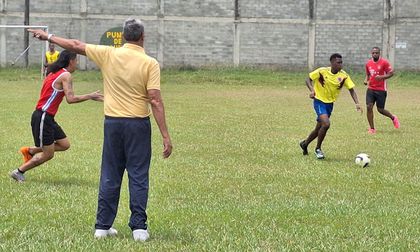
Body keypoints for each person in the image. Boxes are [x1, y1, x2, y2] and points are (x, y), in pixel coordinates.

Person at [28, 18, 173, 242]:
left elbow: (75, 44)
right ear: (143, 37)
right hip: (137, 125)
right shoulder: (149, 63)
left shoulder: (108, 54)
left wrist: (47, 36)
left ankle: (102, 227)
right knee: (138, 175)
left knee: (110, 173)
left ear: (124, 37)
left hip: (113, 124)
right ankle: (139, 229)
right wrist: (165, 135)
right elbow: (155, 100)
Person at [10, 50, 103, 182]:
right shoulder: (66, 75)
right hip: (43, 116)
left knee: (64, 144)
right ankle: (19, 171)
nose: (77, 64)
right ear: (71, 61)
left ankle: (30, 151)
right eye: (76, 61)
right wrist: (90, 96)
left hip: (47, 117)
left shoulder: (55, 72)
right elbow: (70, 99)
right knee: (48, 154)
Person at [299, 53, 362, 159]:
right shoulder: (322, 71)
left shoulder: (344, 76)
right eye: (338, 62)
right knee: (326, 124)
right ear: (332, 63)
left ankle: (304, 144)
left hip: (330, 104)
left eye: (341, 62)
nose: (340, 64)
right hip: (319, 101)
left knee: (319, 128)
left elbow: (351, 90)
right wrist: (312, 90)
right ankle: (318, 149)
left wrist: (357, 103)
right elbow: (308, 79)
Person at [364, 47, 399, 134]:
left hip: (381, 90)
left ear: (379, 53)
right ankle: (372, 129)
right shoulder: (368, 63)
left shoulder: (384, 62)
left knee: (380, 110)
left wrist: (381, 77)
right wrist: (366, 80)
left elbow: (391, 73)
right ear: (371, 53)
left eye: (376, 53)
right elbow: (368, 75)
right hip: (371, 89)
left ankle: (393, 117)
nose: (374, 54)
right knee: (369, 107)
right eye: (373, 53)